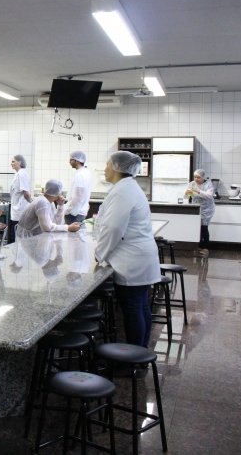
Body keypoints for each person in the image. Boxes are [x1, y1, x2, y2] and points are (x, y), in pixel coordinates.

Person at [95, 151, 160, 356]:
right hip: (139, 256)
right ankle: (141, 349)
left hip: (131, 259)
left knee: (133, 307)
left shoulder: (122, 191)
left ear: (116, 166)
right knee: (140, 305)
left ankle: (134, 356)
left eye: (107, 164)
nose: (105, 168)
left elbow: (113, 228)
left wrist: (100, 253)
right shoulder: (127, 187)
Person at [14, 179, 80, 238]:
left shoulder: (50, 203)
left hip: (34, 236)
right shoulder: (42, 202)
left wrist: (61, 206)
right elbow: (47, 227)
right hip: (26, 238)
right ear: (57, 193)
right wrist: (68, 228)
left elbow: (55, 223)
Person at [185, 169, 215, 257]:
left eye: (198, 177)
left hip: (207, 209)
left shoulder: (208, 184)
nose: (196, 179)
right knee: (197, 227)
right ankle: (199, 245)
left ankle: (205, 248)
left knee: (204, 227)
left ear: (203, 177)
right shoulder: (192, 184)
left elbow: (209, 195)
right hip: (196, 208)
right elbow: (187, 196)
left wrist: (198, 191)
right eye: (195, 177)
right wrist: (186, 193)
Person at [8, 154, 32, 243]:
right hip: (17, 208)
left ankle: (16, 251)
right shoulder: (19, 174)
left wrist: (30, 201)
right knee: (15, 235)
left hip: (20, 209)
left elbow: (26, 193)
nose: (11, 163)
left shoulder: (21, 174)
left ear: (20, 162)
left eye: (13, 161)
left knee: (17, 236)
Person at [63, 151, 92, 225]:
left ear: (77, 161)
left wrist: (67, 210)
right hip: (80, 211)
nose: (69, 162)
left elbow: (78, 197)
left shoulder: (80, 175)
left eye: (71, 160)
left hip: (74, 213)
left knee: (71, 232)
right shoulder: (86, 173)